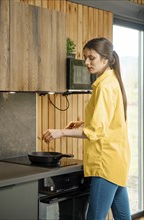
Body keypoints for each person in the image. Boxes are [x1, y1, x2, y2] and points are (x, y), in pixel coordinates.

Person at [42, 37, 131, 220]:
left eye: (92, 58)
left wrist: (61, 132)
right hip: (117, 160)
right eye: (85, 58)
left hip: (105, 163)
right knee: (123, 217)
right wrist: (84, 122)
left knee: (94, 217)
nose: (87, 62)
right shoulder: (112, 81)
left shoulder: (104, 87)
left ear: (105, 59)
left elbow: (96, 132)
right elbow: (110, 120)